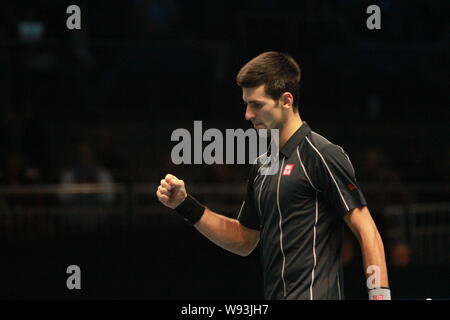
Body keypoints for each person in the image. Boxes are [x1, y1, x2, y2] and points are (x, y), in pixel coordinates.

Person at [156, 51, 390, 300]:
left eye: (256, 104)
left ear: (286, 100)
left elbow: (368, 231)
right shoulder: (262, 166)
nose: (247, 114)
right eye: (246, 104)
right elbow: (243, 240)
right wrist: (185, 205)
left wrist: (380, 298)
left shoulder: (322, 155)